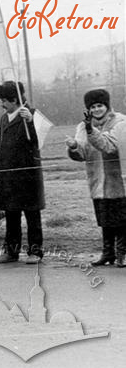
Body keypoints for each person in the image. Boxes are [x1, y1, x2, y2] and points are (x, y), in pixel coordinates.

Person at [67, 89, 126, 267]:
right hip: (97, 180)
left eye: (100, 105)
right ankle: (107, 253)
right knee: (105, 218)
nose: (97, 110)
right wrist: (74, 146)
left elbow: (109, 146)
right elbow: (82, 153)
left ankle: (122, 253)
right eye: (93, 107)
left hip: (118, 179)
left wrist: (90, 130)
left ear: (107, 106)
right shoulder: (83, 126)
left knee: (122, 219)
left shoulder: (120, 122)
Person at [0, 81, 46, 264]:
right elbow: (1, 146)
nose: (2, 104)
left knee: (32, 216)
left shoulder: (32, 115)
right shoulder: (3, 118)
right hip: (8, 177)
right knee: (12, 215)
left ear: (15, 99)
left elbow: (38, 142)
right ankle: (11, 251)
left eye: (5, 100)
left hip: (28, 176)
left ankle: (35, 252)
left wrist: (31, 122)